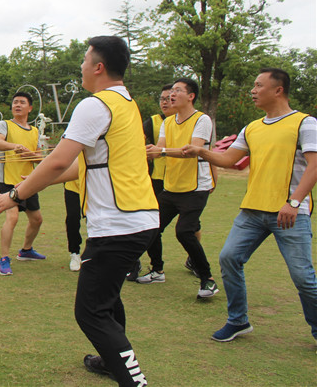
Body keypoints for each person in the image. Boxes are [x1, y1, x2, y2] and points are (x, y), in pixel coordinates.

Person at [0, 36, 158, 386]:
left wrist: (15, 194)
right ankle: (112, 361)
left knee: (91, 312)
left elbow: (58, 160)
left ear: (98, 67)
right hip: (138, 218)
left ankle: (133, 379)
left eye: (84, 60)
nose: (80, 66)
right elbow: (79, 167)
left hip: (118, 224)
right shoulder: (127, 103)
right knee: (106, 299)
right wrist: (40, 183)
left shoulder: (95, 105)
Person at [181, 68, 317, 343]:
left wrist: (293, 202)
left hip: (289, 213)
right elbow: (230, 159)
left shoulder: (305, 123)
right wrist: (202, 151)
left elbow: (315, 164)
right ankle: (238, 320)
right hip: (252, 211)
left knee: (303, 278)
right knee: (229, 258)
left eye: (258, 86)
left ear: (278, 90)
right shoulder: (252, 127)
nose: (253, 91)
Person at [139, 77, 219, 299]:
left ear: (191, 96)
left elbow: (192, 150)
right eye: (170, 91)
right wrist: (145, 150)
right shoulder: (168, 121)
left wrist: (160, 151)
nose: (171, 95)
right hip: (171, 187)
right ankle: (157, 271)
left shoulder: (202, 120)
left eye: (177, 91)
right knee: (151, 227)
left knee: (185, 231)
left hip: (195, 188)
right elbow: (160, 149)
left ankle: (208, 280)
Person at [0, 92, 45, 276]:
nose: (18, 105)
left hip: (29, 182)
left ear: (30, 108)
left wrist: (29, 155)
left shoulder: (35, 131)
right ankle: (4, 259)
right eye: (15, 102)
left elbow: (39, 158)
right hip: (8, 181)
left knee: (36, 219)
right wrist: (14, 146)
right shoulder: (5, 125)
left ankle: (26, 250)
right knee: (12, 217)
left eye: (22, 102)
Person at [126, 84, 173, 281]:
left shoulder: (197, 121)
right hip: (156, 180)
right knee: (154, 226)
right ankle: (153, 267)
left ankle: (195, 263)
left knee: (189, 229)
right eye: (162, 99)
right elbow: (139, 144)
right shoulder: (153, 121)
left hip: (185, 184)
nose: (165, 102)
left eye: (169, 98)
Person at [64, 174, 83, 271]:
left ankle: (94, 253)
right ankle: (75, 253)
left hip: (92, 185)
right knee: (72, 218)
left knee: (95, 219)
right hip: (72, 185)